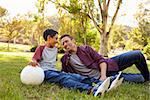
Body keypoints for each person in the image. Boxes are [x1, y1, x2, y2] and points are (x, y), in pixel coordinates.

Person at [28, 29, 118, 96]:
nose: (57, 41)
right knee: (64, 79)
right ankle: (91, 90)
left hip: (54, 71)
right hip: (44, 73)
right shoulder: (41, 48)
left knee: (75, 76)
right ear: (49, 38)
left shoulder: (55, 49)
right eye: (55, 38)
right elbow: (34, 59)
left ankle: (101, 82)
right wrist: (33, 62)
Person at [60, 34, 150, 83]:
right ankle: (143, 78)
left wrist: (103, 75)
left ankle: (148, 77)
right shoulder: (65, 60)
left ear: (73, 40)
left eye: (66, 41)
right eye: (63, 43)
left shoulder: (85, 49)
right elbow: (63, 74)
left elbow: (101, 60)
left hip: (110, 64)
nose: (65, 44)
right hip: (107, 78)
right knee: (140, 79)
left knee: (137, 54)